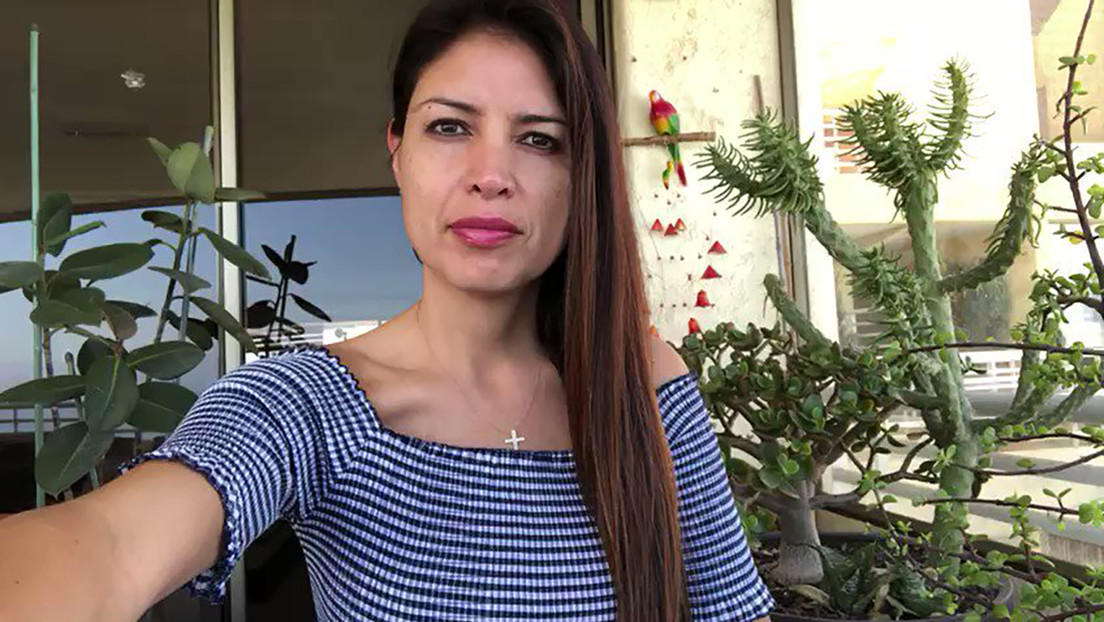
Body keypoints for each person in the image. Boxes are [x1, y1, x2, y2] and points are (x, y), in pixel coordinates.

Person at [0, 0, 776, 620]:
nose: (491, 174)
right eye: (450, 127)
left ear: (583, 176)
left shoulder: (646, 385)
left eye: (540, 140)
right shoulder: (311, 405)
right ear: (397, 152)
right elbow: (110, 545)